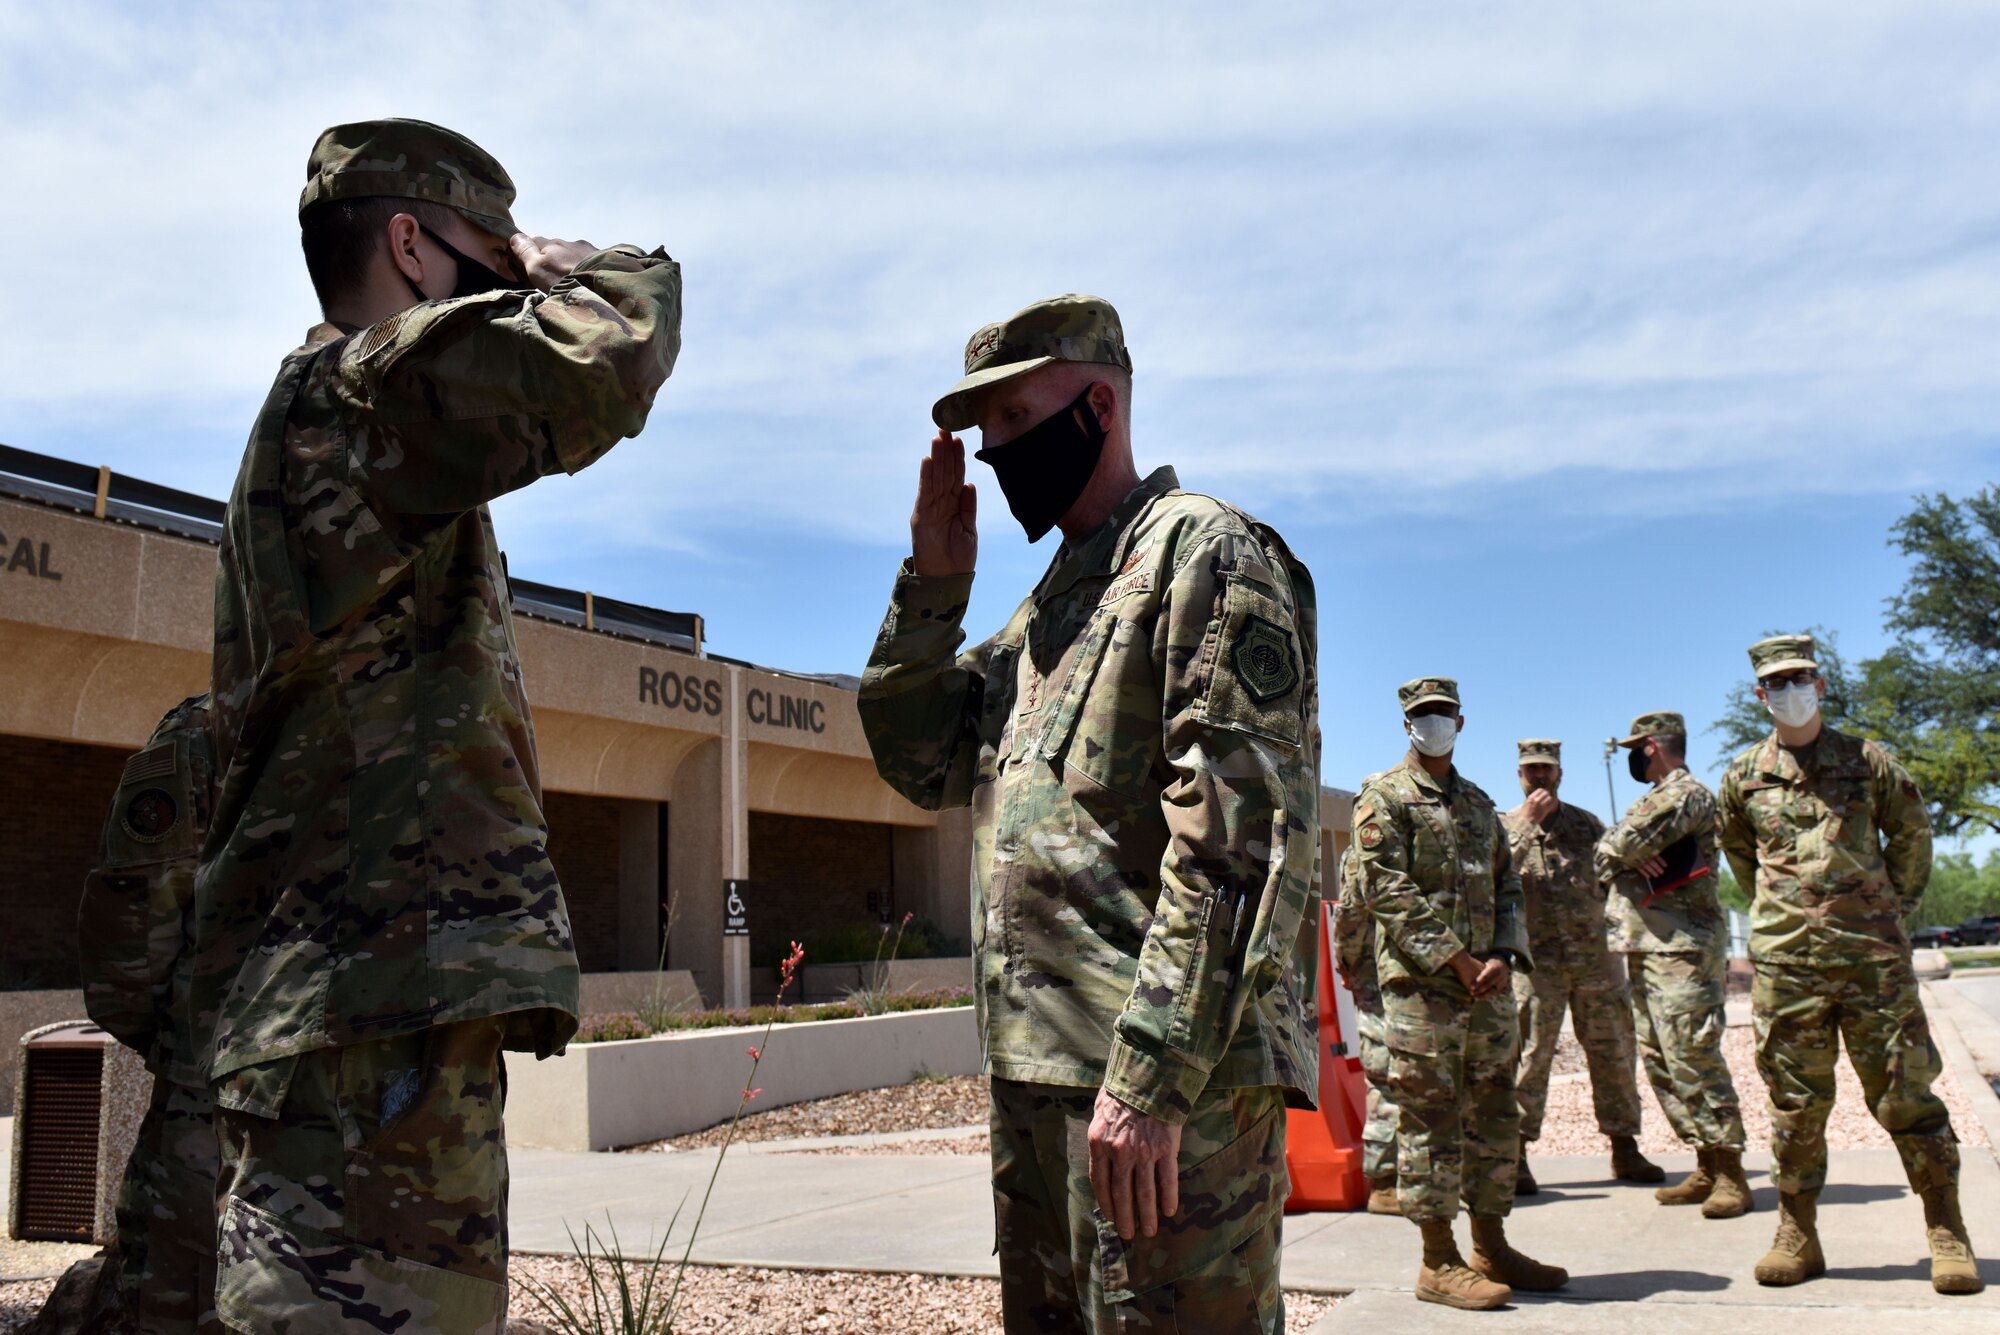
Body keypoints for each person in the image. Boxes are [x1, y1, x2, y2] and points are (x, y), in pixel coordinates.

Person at [195, 118, 682, 1332]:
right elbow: (612, 351)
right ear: (411, 246)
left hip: (351, 1006)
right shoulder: (360, 388)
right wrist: (567, 265)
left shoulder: (333, 420)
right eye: (482, 247)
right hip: (368, 1007)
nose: (502, 272)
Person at [858, 294, 1321, 1334]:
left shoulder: (1201, 555)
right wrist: (932, 592)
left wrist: (1152, 1079)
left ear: (1098, 404)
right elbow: (920, 759)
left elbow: (1238, 850)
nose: (997, 454)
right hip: (1042, 1077)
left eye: (1017, 423)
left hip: (1161, 1092)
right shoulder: (1050, 608)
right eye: (986, 438)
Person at [1717, 635, 1981, 1294]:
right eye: (1776, 682)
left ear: (1821, 683)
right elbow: (1739, 851)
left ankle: (1946, 1229)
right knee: (1795, 1106)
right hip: (1787, 967)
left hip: (1873, 966)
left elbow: (1913, 834)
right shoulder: (1743, 774)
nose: (1789, 689)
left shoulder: (1870, 762)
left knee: (1906, 1095)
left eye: (1799, 677)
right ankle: (1797, 1231)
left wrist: (1892, 910)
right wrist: (1778, 913)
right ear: (1760, 694)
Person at [1352, 678, 1566, 1311]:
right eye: (1422, 714)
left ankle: (1491, 1245)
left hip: (1488, 988)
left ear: (1461, 724)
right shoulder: (1382, 798)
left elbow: (1508, 888)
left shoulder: (1478, 804)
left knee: (1496, 1112)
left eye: (1443, 713)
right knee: (1431, 1115)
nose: (1433, 722)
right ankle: (1436, 1260)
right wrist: (1456, 958)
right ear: (1406, 724)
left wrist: (1502, 955)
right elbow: (1384, 888)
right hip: (1423, 988)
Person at [34, 695, 221, 1335]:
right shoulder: (470, 710)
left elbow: (131, 943)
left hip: (229, 1102)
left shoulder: (221, 719)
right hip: (437, 1107)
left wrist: (181, 1047)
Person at [1596, 712, 1750, 1219]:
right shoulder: (1653, 800)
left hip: (1682, 947)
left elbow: (1611, 847)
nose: (1633, 760)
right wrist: (1624, 853)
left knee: (1694, 1056)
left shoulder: (1685, 795)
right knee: (1662, 1059)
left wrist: (1622, 851)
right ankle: (1705, 1161)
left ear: (1654, 747)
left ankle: (1730, 1171)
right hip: (1648, 944)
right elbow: (1611, 854)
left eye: (1636, 750)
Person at [1501, 739, 1659, 1195]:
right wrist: (1526, 827)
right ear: (1519, 774)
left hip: (1596, 962)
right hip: (1536, 966)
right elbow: (1493, 876)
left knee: (1614, 1052)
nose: (1540, 777)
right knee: (1529, 1059)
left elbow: (1618, 870)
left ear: (1560, 772)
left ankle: (1624, 1146)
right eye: (1532, 770)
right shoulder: (1505, 826)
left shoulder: (1588, 826)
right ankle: (1517, 1155)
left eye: (1547, 770)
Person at [1333, 840, 1402, 1214]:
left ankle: (1401, 1177)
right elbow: (1351, 914)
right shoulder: (1366, 846)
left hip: (1400, 978)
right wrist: (1350, 967)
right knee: (1385, 1073)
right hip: (1380, 979)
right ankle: (1386, 1182)